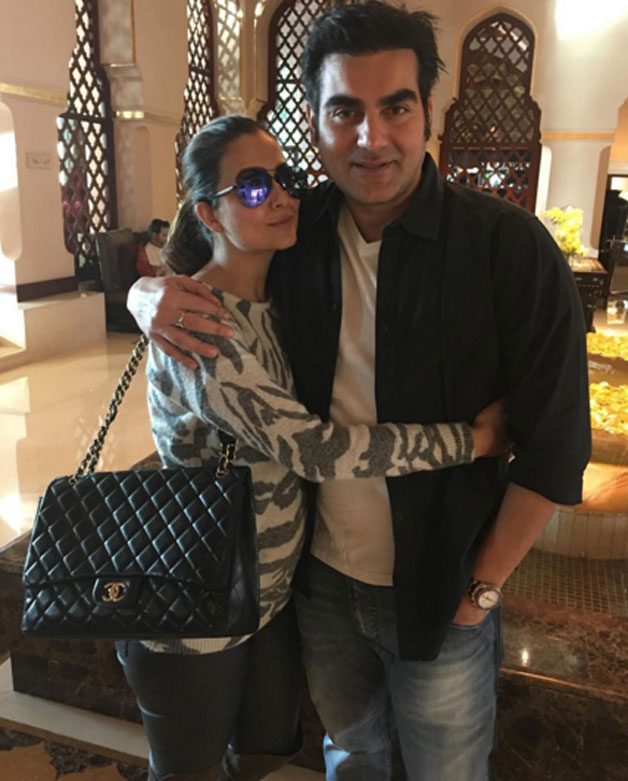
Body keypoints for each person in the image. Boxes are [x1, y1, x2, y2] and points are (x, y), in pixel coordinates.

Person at [126, 4, 591, 779]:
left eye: (396, 107)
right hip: (319, 590)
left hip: (443, 591)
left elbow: (556, 446)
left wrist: (480, 590)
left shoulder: (507, 248)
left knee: (445, 770)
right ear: (314, 123)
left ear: (429, 113)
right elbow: (208, 251)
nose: (372, 138)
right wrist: (147, 294)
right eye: (345, 111)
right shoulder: (296, 232)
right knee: (352, 760)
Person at [118, 114, 508, 781]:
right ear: (208, 214)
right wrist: (471, 440)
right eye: (252, 186)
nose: (281, 197)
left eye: (286, 178)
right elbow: (313, 451)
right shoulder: (200, 323)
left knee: (266, 749)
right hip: (196, 597)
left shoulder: (282, 298)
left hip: (267, 595)